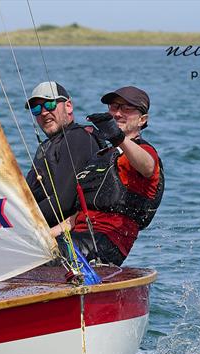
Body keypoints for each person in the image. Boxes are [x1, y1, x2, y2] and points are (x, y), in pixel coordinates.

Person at [50, 86, 164, 266]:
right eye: (114, 107)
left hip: (108, 241)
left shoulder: (144, 152)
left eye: (126, 108)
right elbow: (77, 217)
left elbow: (148, 167)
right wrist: (39, 237)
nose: (118, 113)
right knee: (32, 250)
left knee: (49, 257)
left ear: (142, 120)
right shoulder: (102, 156)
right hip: (79, 236)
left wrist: (118, 137)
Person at [24, 81, 101, 229]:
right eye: (36, 109)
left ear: (68, 106)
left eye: (50, 105)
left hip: (72, 235)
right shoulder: (48, 146)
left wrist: (21, 221)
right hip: (42, 230)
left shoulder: (77, 138)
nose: (44, 112)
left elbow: (63, 202)